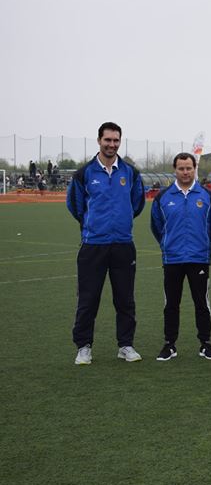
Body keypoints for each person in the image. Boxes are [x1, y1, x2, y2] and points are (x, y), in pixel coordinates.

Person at [67, 122, 145, 364]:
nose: (112, 144)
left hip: (123, 243)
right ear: (99, 141)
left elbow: (137, 204)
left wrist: (119, 221)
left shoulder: (130, 173)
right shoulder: (84, 173)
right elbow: (76, 206)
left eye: (116, 140)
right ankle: (83, 347)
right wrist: (95, 224)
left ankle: (125, 345)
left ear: (120, 142)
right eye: (107, 140)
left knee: (125, 298)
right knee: (88, 298)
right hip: (93, 245)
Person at [150, 153, 211, 361]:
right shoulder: (163, 197)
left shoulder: (207, 196)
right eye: (181, 168)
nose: (185, 172)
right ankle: (169, 344)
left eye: (189, 168)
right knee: (171, 303)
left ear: (194, 169)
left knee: (202, 303)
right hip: (172, 258)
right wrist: (167, 244)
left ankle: (205, 344)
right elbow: (157, 226)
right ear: (175, 170)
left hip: (199, 258)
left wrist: (204, 243)